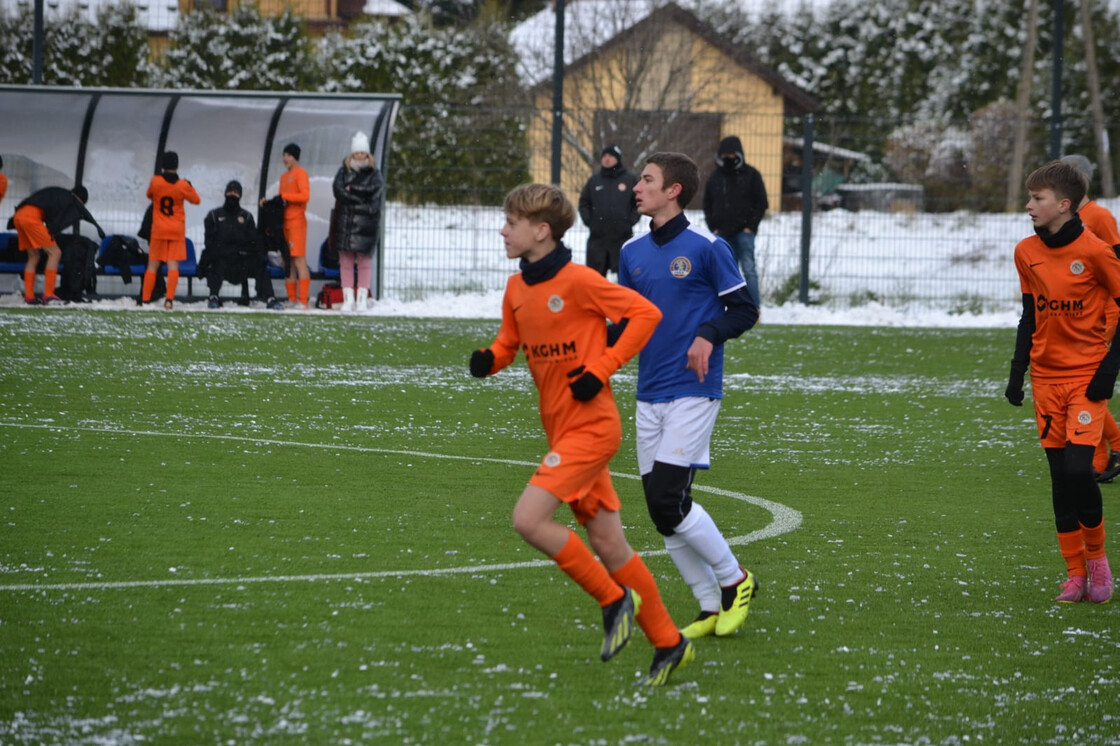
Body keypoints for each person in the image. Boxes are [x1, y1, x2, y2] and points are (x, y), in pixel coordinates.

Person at [469, 183, 694, 686]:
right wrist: (491, 360)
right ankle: (669, 642)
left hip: (592, 428)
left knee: (528, 519)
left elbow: (645, 314)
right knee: (611, 545)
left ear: (541, 231)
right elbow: (510, 342)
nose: (503, 231)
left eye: (511, 223)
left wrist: (602, 367)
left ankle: (614, 599)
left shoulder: (580, 281)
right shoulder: (515, 289)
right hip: (561, 433)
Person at [619, 151, 761, 639]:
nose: (637, 186)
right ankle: (706, 608)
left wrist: (707, 333)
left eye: (647, 179)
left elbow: (744, 310)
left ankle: (735, 580)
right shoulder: (630, 253)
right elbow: (625, 322)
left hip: (693, 391)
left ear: (673, 190)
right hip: (648, 391)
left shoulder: (707, 247)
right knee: (664, 511)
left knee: (665, 498)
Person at [1005, 159, 1117, 604]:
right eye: (1030, 197)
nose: (1029, 205)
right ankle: (1073, 573)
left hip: (1087, 377)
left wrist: (1110, 368)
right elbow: (1030, 316)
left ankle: (1097, 560)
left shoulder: (1095, 251)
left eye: (1037, 198)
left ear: (1064, 204)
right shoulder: (1025, 252)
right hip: (1046, 381)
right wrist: (1017, 372)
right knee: (1059, 478)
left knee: (1079, 470)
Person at [1061, 154, 1120, 483]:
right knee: (1079, 385)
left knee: (1084, 386)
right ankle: (1102, 455)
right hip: (1077, 316)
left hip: (1103, 315)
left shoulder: (1099, 216)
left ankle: (1102, 455)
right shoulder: (1070, 217)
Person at [6, 184, 104, 305]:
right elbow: (56, 222)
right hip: (31, 219)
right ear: (80, 199)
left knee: (34, 256)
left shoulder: (58, 193)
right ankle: (48, 294)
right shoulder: (69, 199)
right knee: (55, 253)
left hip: (19, 217)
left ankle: (29, 296)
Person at [702, 135, 768, 306]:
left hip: (745, 233)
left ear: (739, 154)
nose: (729, 158)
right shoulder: (715, 177)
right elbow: (707, 204)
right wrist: (713, 228)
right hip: (721, 234)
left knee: (749, 270)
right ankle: (728, 307)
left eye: (732, 154)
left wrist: (751, 227)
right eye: (726, 155)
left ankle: (754, 308)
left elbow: (761, 202)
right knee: (723, 272)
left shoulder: (752, 175)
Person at [199, 180, 282, 310]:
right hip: (223, 260)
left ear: (240, 196)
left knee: (260, 265)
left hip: (242, 261)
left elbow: (253, 241)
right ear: (225, 193)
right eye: (230, 192)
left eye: (236, 193)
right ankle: (213, 296)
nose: (232, 195)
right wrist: (224, 250)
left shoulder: (246, 217)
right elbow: (209, 242)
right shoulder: (214, 215)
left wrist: (242, 250)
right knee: (216, 261)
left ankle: (270, 298)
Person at [331, 131, 383, 313]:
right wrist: (359, 197)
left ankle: (362, 300)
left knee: (364, 263)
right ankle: (348, 299)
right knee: (345, 262)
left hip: (365, 226)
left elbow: (373, 194)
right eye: (357, 152)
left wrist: (351, 192)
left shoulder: (375, 174)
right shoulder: (343, 171)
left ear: (367, 154)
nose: (359, 155)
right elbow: (338, 190)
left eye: (363, 152)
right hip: (345, 224)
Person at [142, 151, 200, 310]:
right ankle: (169, 300)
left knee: (152, 265)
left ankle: (145, 299)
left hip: (159, 229)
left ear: (163, 165)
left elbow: (149, 195)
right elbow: (196, 200)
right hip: (176, 230)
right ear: (177, 165)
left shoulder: (156, 181)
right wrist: (189, 185)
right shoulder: (182, 185)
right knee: (173, 266)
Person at [578, 144, 639, 278]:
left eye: (610, 156)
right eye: (604, 156)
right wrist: (590, 221)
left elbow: (638, 203)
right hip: (598, 240)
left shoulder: (630, 179)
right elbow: (584, 203)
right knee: (594, 280)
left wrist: (630, 221)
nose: (606, 159)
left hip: (622, 239)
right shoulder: (594, 180)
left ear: (617, 158)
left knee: (625, 279)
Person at [263, 143, 310, 309]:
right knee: (286, 261)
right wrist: (269, 202)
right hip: (284, 223)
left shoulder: (301, 174)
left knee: (298, 260)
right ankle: (291, 298)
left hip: (297, 222)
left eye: (288, 155)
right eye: (284, 155)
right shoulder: (283, 177)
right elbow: (282, 200)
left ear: (295, 157)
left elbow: (304, 196)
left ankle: (303, 301)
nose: (285, 158)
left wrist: (284, 196)